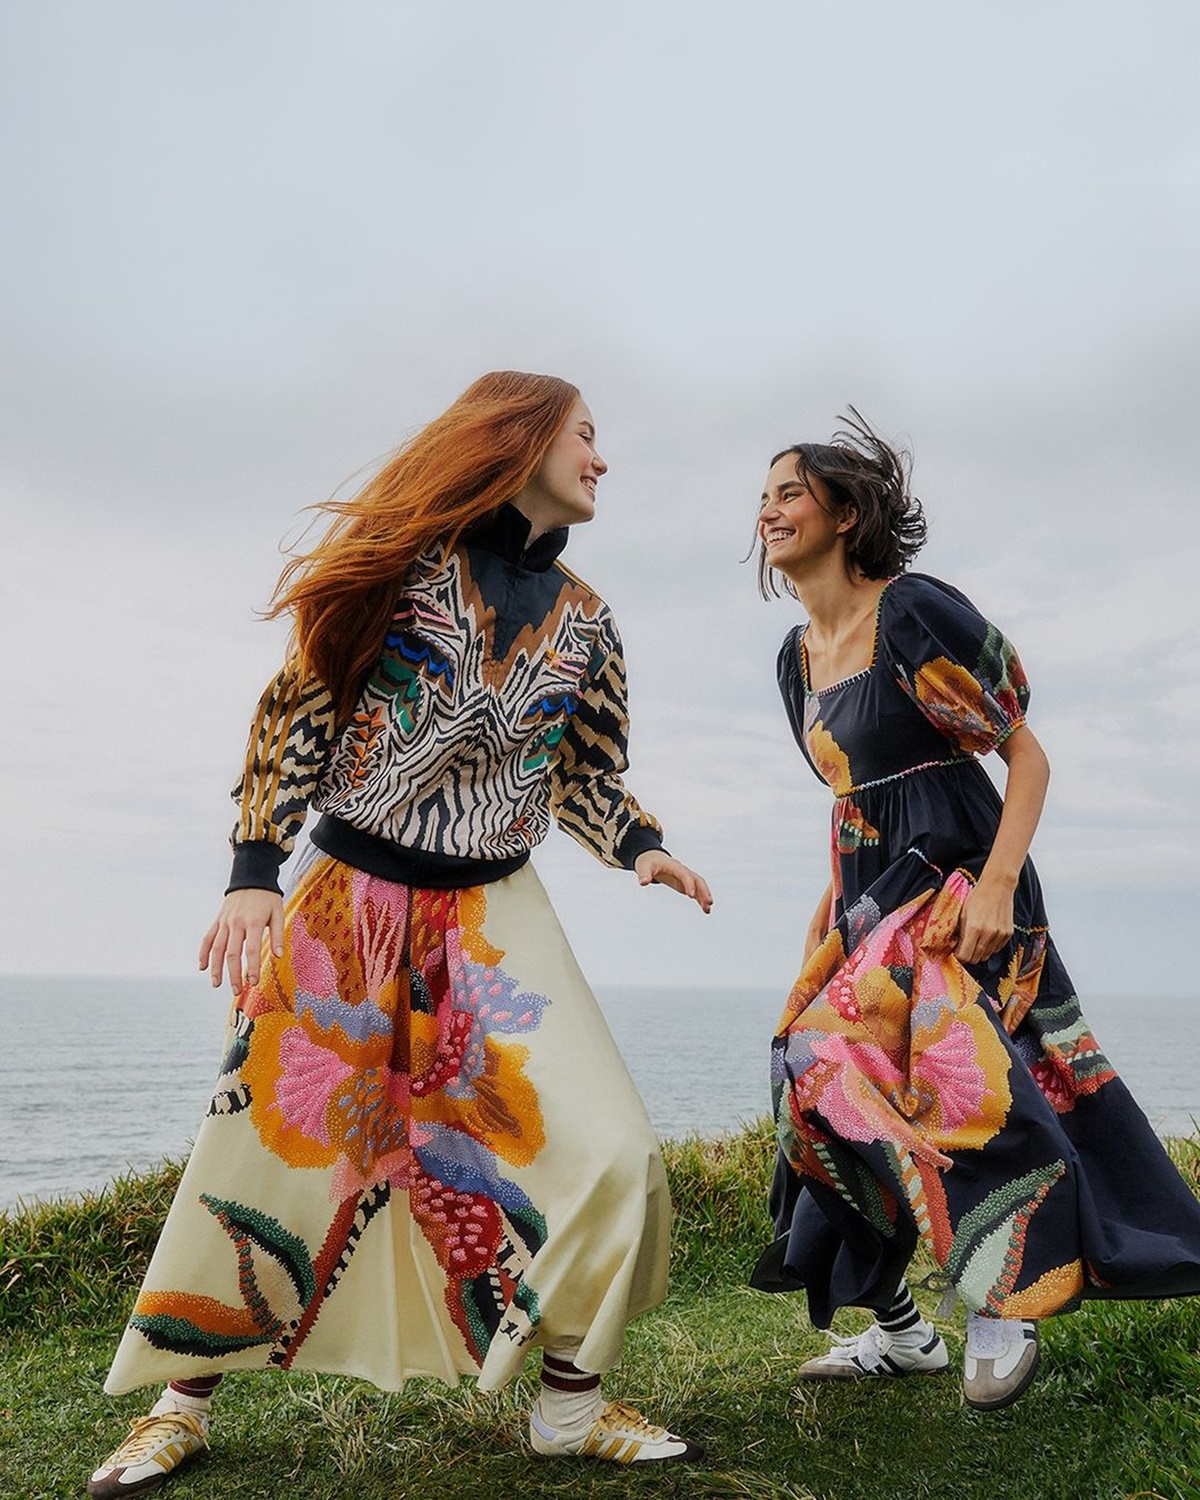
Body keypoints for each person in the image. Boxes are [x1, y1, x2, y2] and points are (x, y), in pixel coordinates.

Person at [87, 371, 713, 1498]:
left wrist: (639, 847)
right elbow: (297, 712)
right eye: (585, 435)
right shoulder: (396, 574)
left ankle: (569, 1406)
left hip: (496, 910)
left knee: (615, 1148)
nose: (602, 459)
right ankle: (178, 1407)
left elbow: (586, 774)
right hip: (352, 897)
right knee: (267, 1155)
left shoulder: (590, 621)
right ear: (516, 442)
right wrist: (251, 871)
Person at [748, 410, 1200, 1411]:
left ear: (846, 510)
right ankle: (902, 1333)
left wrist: (996, 886)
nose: (768, 507)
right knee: (815, 1082)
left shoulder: (911, 612)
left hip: (959, 879)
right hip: (868, 894)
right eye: (765, 494)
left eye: (789, 490)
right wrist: (828, 917)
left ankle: (1002, 1309)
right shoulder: (797, 658)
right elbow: (852, 798)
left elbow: (1024, 754)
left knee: (966, 1088)